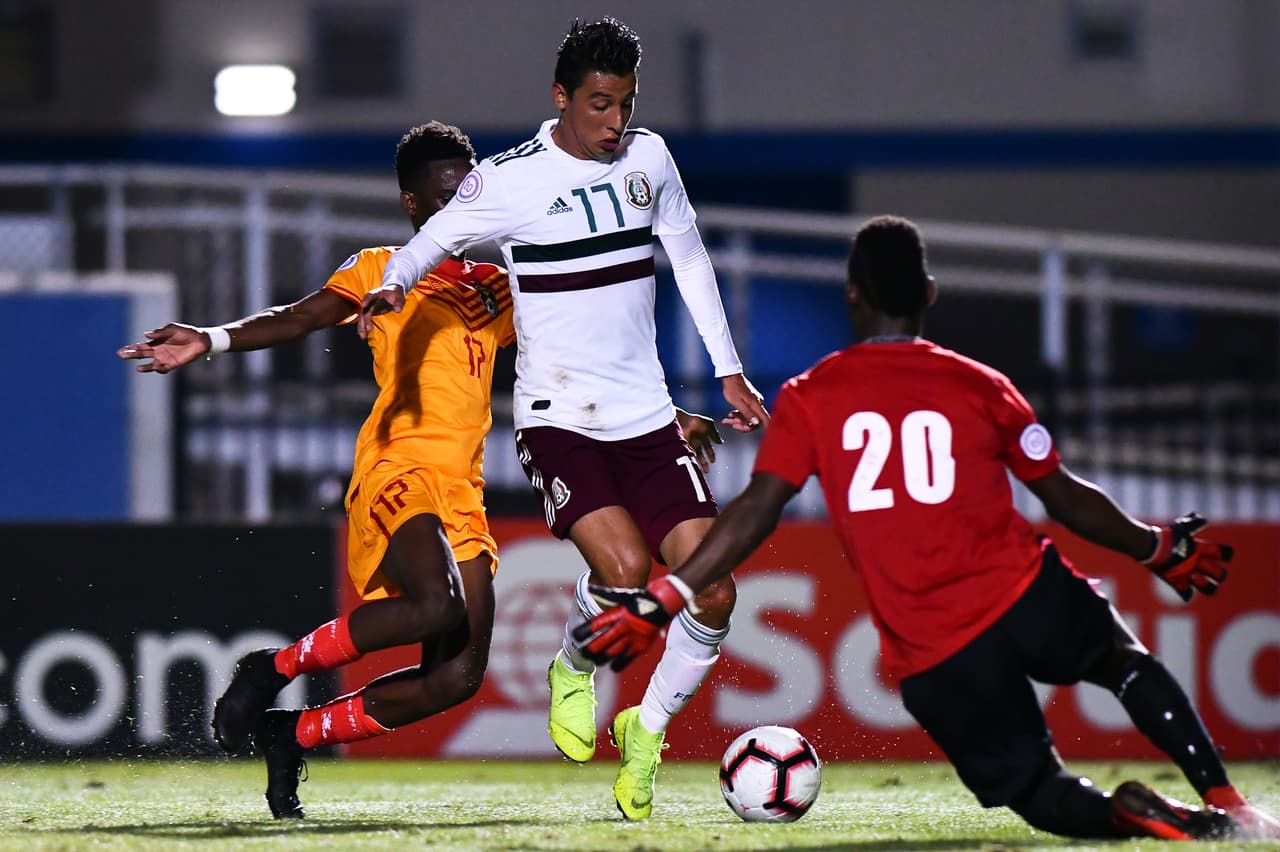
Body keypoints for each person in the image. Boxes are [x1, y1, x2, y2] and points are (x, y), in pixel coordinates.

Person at [574, 215, 1280, 842]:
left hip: (934, 647)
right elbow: (1062, 497)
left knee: (1035, 790)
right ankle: (1229, 805)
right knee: (1126, 665)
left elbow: (758, 509)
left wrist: (668, 596)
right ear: (930, 294)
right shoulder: (980, 384)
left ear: (852, 295)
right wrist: (1154, 546)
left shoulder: (811, 397)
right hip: (1023, 588)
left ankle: (1125, 817)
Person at [119, 119, 727, 820]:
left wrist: (664, 414)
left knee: (459, 678)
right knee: (436, 604)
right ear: (412, 204)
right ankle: (273, 669)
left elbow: (581, 351)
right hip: (397, 465)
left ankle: (294, 732)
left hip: (460, 488)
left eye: (467, 194)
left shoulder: (501, 287)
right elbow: (300, 317)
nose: (458, 210)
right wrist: (212, 338)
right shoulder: (381, 267)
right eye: (441, 198)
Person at [357, 17, 769, 820]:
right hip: (557, 417)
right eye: (600, 105)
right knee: (623, 573)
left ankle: (644, 732)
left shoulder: (650, 160)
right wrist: (395, 284)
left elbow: (687, 256)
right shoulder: (509, 180)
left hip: (644, 415)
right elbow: (436, 238)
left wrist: (728, 370)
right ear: (562, 98)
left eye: (626, 104)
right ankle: (573, 667)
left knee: (713, 592)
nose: (616, 123)